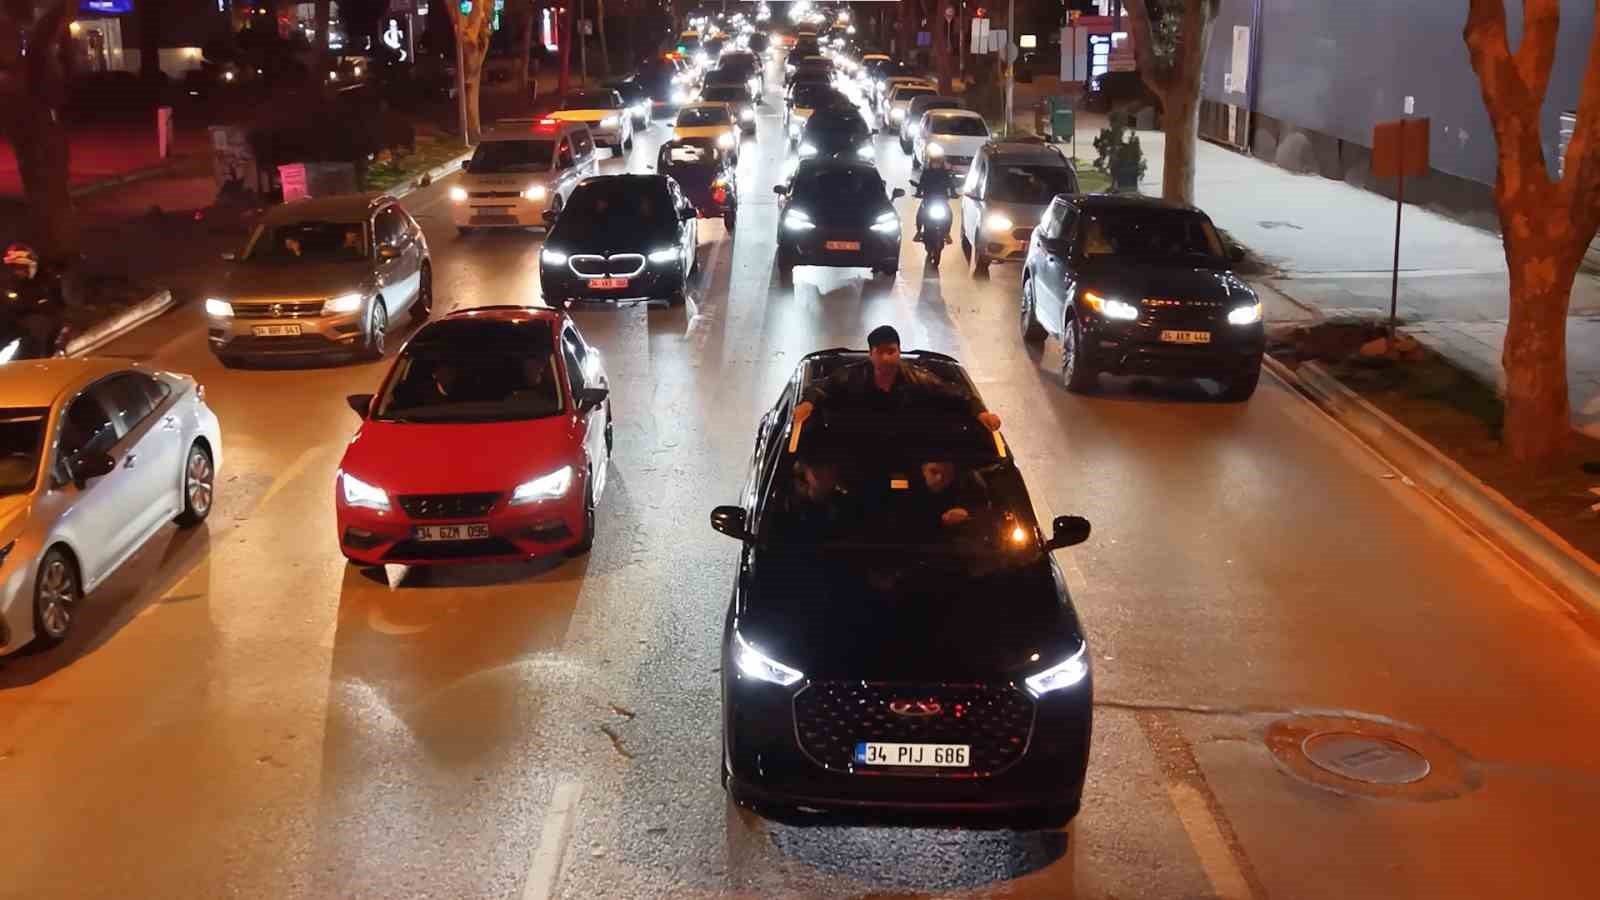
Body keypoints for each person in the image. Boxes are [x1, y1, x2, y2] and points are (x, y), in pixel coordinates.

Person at [792, 325, 1002, 430]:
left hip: (907, 455)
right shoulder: (851, 376)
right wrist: (808, 404)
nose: (885, 357)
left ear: (899, 352)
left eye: (891, 351)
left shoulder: (919, 378)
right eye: (880, 352)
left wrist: (981, 413)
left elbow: (957, 394)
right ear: (870, 354)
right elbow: (821, 387)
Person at [3, 243, 68, 356]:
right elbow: (10, 311)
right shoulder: (13, 286)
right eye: (14, 268)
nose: (18, 272)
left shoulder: (49, 280)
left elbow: (61, 306)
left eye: (20, 268)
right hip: (23, 333)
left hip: (47, 333)